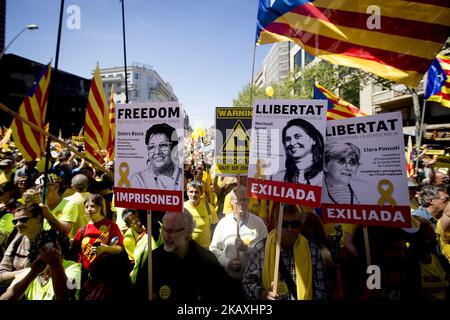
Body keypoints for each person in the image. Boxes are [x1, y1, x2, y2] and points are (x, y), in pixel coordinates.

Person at [134, 210, 228, 301]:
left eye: (171, 231)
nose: (166, 236)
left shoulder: (207, 261)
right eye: (164, 229)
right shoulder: (153, 260)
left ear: (187, 232)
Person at [242, 204, 326, 300]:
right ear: (276, 224)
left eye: (295, 224)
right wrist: (262, 293)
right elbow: (247, 282)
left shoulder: (312, 251)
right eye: (284, 224)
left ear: (300, 225)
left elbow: (320, 291)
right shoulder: (261, 248)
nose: (290, 229)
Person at [210, 185, 267, 299]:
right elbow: (214, 249)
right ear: (231, 202)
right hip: (229, 281)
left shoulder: (259, 223)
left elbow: (266, 252)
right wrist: (228, 262)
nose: (241, 203)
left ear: (249, 201)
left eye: (244, 199)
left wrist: (247, 249)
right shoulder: (223, 223)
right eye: (238, 200)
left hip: (253, 284)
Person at [71, 194, 131, 300]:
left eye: (93, 206)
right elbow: (75, 252)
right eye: (87, 207)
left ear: (100, 207)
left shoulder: (111, 226)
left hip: (107, 279)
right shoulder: (82, 230)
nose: (89, 209)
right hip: (87, 277)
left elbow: (119, 248)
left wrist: (105, 248)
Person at [0, 229, 81, 300]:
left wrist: (56, 265)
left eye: (54, 248)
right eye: (43, 249)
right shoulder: (28, 272)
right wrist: (33, 273)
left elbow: (68, 297)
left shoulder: (73, 267)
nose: (49, 252)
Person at [0, 203, 43, 293]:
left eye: (23, 220)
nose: (18, 224)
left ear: (38, 218)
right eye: (15, 222)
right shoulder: (17, 241)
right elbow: (1, 273)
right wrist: (27, 272)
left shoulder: (50, 242)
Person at [271, 118, 324, 185]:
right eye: (288, 139)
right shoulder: (277, 177)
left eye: (297, 136)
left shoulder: (325, 177)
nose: (292, 143)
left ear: (313, 140)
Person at [130, 123, 183, 190]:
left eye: (163, 145)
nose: (157, 152)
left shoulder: (183, 177)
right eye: (152, 147)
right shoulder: (138, 179)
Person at [184, 180, 218, 248]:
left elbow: (215, 228)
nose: (193, 195)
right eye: (191, 192)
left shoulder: (209, 208)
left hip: (204, 249)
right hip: (186, 249)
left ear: (201, 193)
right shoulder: (182, 208)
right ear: (187, 192)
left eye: (196, 192)